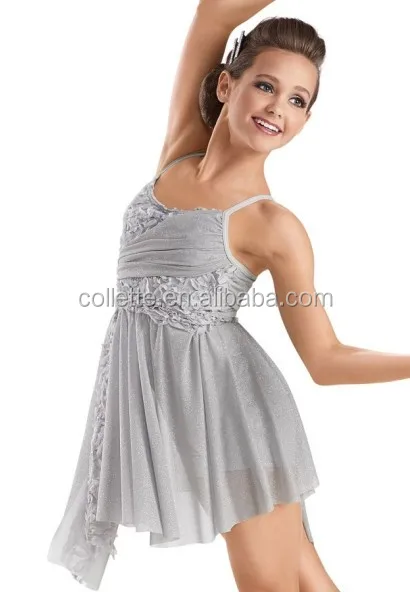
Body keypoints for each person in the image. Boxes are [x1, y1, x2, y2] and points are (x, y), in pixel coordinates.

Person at [47, 2, 410, 591]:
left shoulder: (273, 226)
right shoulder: (179, 152)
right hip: (172, 412)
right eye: (266, 85)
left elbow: (326, 359)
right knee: (302, 579)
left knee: (276, 585)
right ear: (226, 85)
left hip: (236, 419)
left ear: (306, 120)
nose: (277, 108)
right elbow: (213, 14)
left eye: (298, 100)